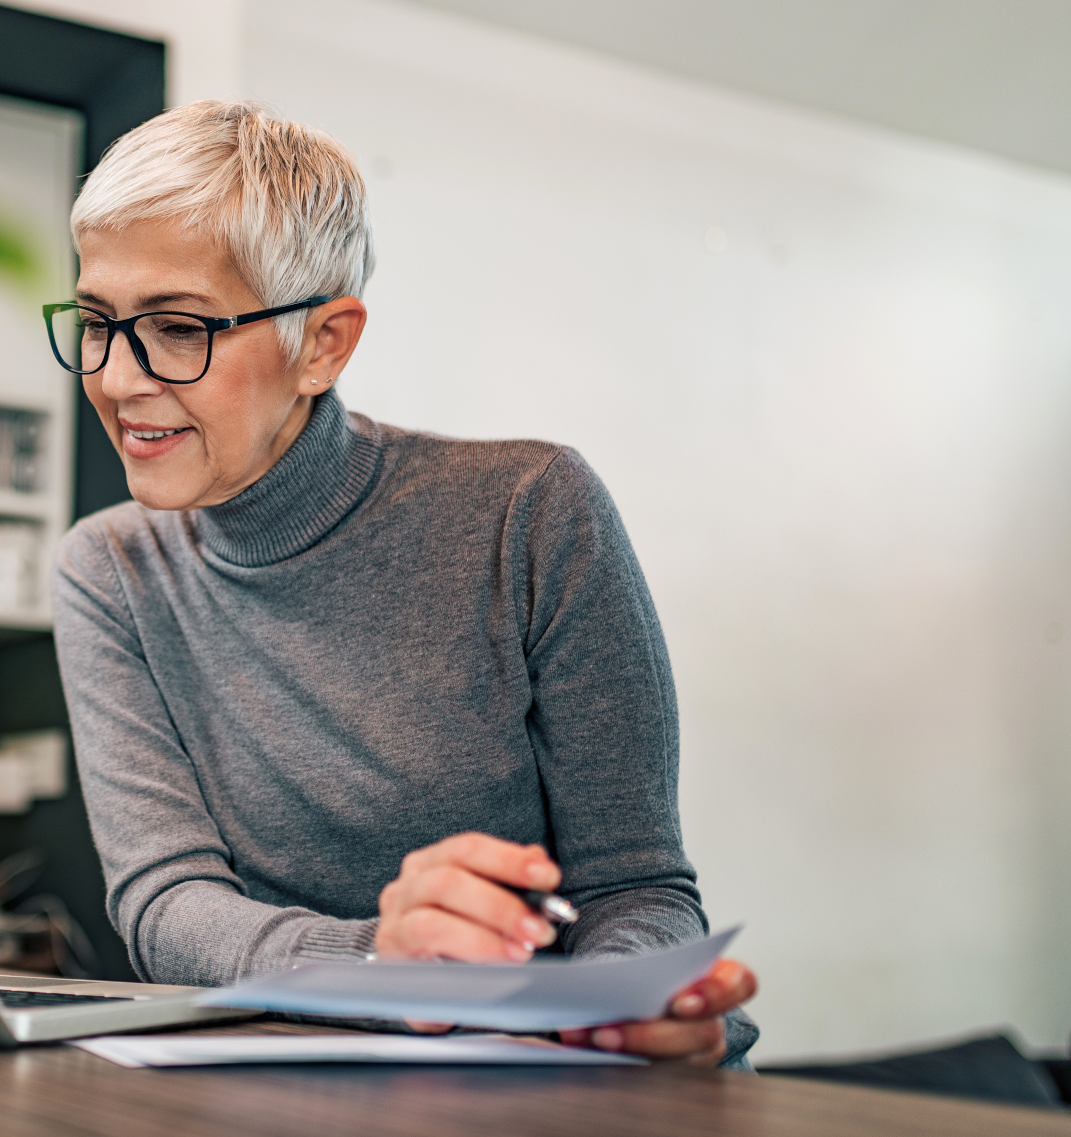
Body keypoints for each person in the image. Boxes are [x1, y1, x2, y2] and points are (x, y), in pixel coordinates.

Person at [45, 100, 760, 1067]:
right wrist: (381, 960)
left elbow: (639, 890)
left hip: (553, 1076)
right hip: (290, 1086)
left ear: (325, 344)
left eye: (177, 329)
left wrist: (616, 1002)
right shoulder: (110, 569)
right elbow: (165, 904)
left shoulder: (530, 511)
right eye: (95, 322)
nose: (118, 381)